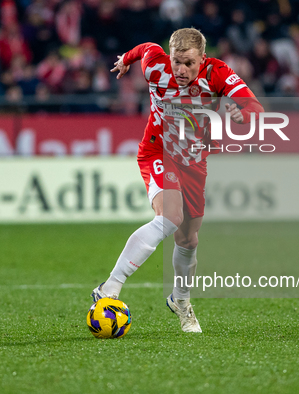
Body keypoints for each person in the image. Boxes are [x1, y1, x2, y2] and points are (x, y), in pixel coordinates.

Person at [91, 28, 263, 333]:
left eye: (189, 64)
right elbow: (144, 48)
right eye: (176, 62)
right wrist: (124, 60)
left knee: (188, 239)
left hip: (193, 160)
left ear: (202, 59)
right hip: (158, 150)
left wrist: (242, 114)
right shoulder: (156, 65)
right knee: (170, 218)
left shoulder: (218, 73)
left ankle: (180, 301)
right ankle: (110, 286)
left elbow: (254, 107)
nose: (181, 70)